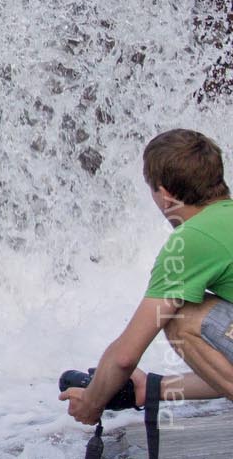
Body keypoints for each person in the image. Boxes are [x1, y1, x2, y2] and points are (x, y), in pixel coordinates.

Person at [60, 128, 233, 427]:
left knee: (183, 317)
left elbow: (126, 355)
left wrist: (92, 402)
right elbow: (222, 368)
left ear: (164, 195)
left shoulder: (191, 240)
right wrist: (151, 387)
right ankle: (150, 388)